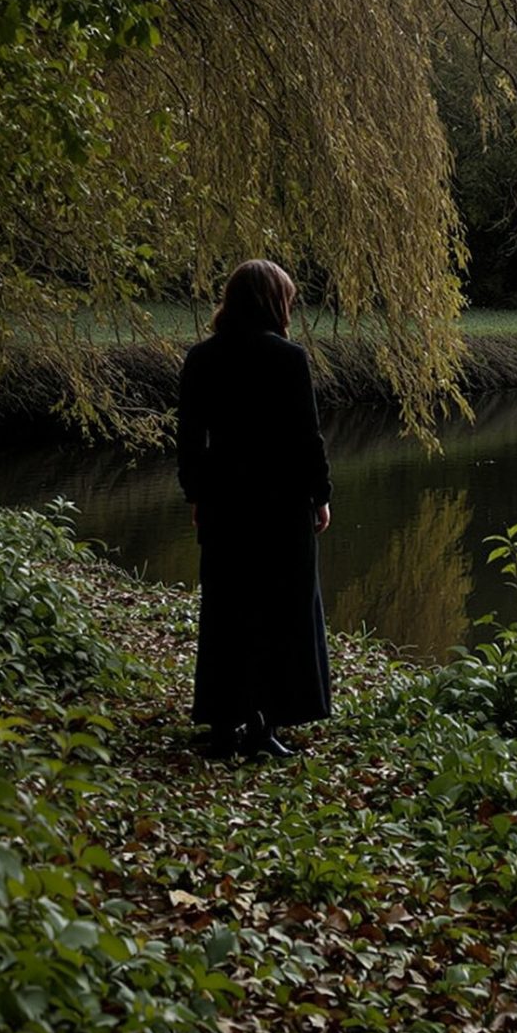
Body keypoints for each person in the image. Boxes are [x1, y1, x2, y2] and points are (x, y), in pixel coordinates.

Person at [177, 259, 333, 759]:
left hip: (225, 502)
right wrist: (321, 496)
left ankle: (223, 725)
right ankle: (265, 727)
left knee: (227, 610)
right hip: (281, 505)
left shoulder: (201, 358)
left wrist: (197, 494)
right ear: (273, 302)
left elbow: (189, 440)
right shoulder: (288, 358)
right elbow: (306, 437)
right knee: (282, 610)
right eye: (287, 297)